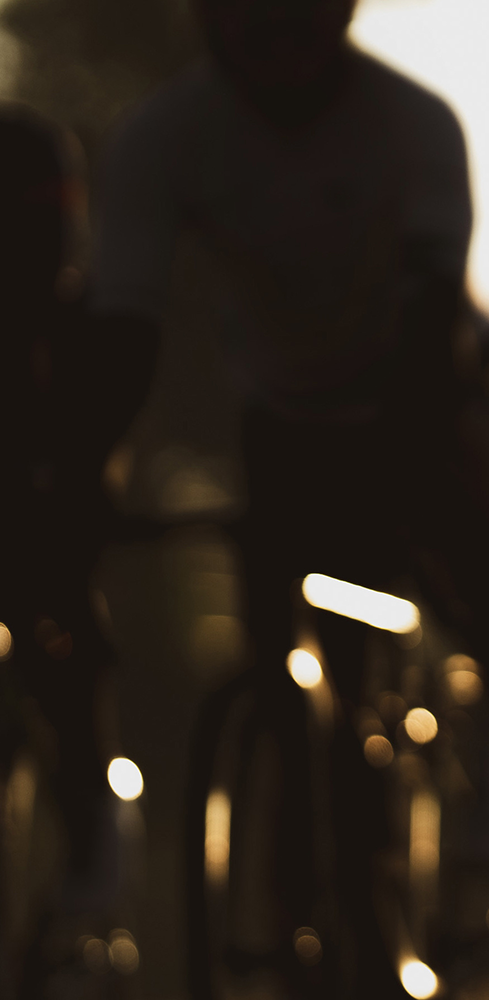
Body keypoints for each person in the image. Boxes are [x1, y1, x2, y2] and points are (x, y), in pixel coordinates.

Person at [78, 0, 489, 980]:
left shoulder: (413, 126)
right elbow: (125, 335)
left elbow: (428, 340)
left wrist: (421, 502)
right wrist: (81, 477)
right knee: (293, 691)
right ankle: (318, 901)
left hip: (427, 378)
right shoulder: (165, 139)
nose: (273, 38)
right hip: (286, 411)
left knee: (478, 485)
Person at [1, 101, 138, 981]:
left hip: (39, 508)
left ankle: (91, 817)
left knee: (61, 614)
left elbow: (97, 462)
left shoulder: (80, 325)